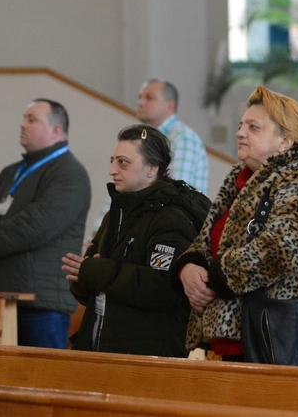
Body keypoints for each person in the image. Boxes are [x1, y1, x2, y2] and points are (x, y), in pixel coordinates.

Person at [172, 85, 298, 361]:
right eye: (241, 126)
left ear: (285, 141)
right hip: (228, 343)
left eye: (254, 127)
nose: (240, 133)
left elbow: (280, 250)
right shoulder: (239, 181)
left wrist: (216, 277)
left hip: (272, 345)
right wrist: (189, 268)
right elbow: (204, 242)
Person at [62, 125, 211, 357]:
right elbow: (95, 274)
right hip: (100, 347)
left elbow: (164, 286)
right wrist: (82, 278)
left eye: (123, 162)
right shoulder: (117, 212)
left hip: (146, 355)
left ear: (152, 167)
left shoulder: (170, 217)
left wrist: (98, 271)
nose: (112, 170)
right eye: (112, 160)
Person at [0, 99, 91, 348]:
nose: (22, 124)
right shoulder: (12, 171)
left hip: (41, 306)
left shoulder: (70, 174)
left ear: (56, 130)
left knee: (40, 382)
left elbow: (32, 227)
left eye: (32, 119)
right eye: (24, 118)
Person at [137, 80, 208, 195]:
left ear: (170, 106)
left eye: (149, 98)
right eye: (140, 97)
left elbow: (176, 192)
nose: (141, 102)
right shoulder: (147, 138)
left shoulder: (183, 139)